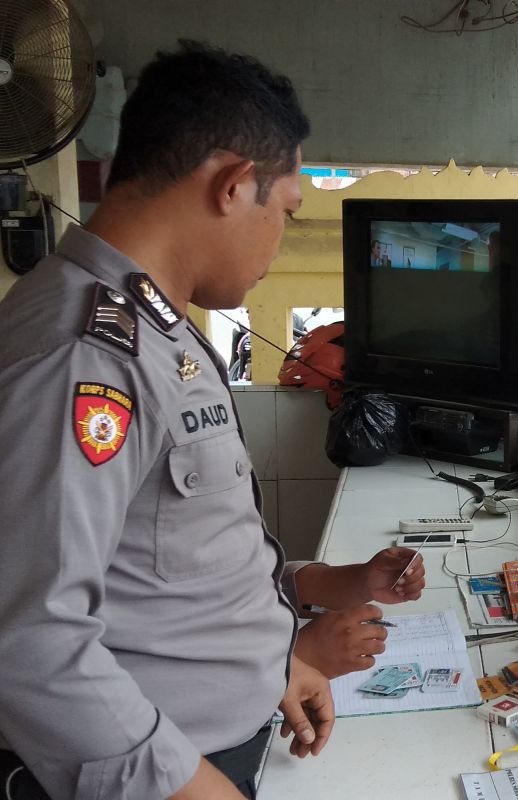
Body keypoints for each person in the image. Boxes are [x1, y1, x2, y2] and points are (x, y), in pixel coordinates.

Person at [0, 41, 424, 800]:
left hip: (216, 746)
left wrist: (274, 658)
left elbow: (166, 568)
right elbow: (29, 642)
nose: (279, 239)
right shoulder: (84, 359)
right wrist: (195, 788)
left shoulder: (163, 331)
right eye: (286, 212)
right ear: (233, 186)